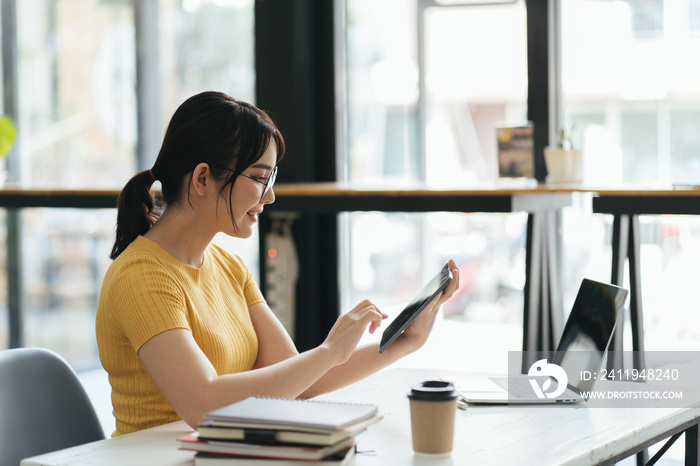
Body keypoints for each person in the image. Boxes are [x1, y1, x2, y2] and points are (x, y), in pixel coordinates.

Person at [96, 91, 460, 437]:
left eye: (271, 178)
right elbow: (202, 405)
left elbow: (300, 383)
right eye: (257, 178)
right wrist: (329, 350)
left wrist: (401, 343)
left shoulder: (228, 267)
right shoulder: (141, 276)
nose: (269, 196)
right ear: (203, 178)